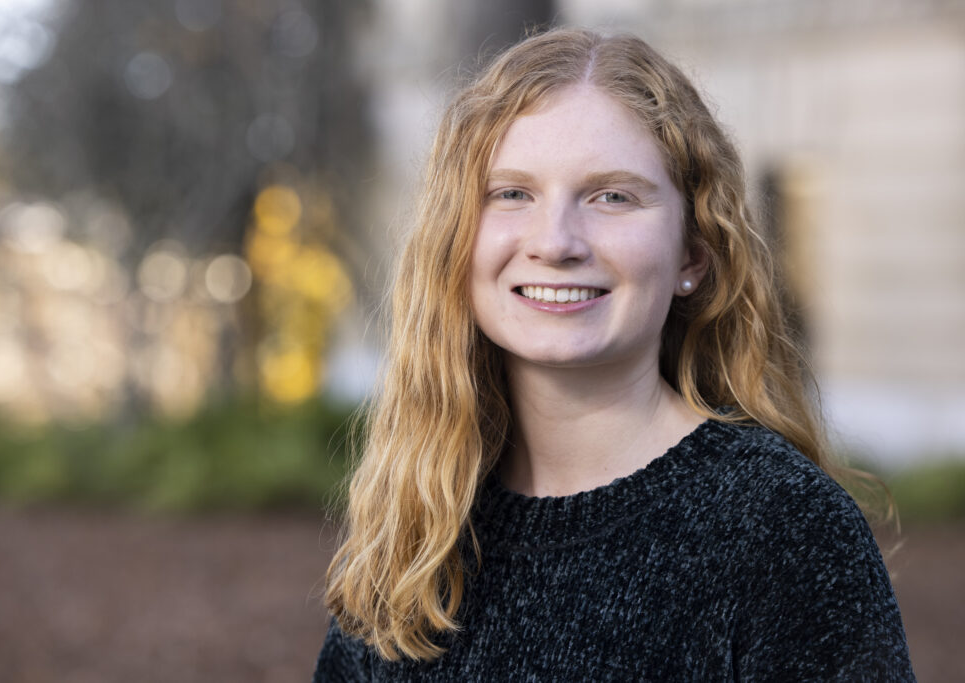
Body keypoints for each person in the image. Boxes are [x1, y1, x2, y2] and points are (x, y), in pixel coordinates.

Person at [314, 28, 915, 681]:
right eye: (512, 192)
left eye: (612, 196)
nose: (556, 241)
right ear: (456, 239)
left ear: (692, 254)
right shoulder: (417, 528)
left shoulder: (783, 528)